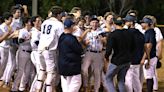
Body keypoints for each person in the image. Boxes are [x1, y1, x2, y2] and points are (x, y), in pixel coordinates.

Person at [36, 6, 64, 92]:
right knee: (51, 72)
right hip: (49, 50)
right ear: (58, 14)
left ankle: (37, 89)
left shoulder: (45, 22)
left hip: (40, 49)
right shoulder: (59, 24)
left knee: (42, 69)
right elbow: (61, 38)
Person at [105, 17, 135, 92]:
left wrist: (106, 57)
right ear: (123, 23)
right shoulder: (129, 33)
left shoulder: (113, 34)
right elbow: (133, 47)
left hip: (117, 61)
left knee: (108, 78)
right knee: (121, 80)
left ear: (114, 24)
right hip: (127, 60)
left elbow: (109, 49)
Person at [58, 18, 83, 92]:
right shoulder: (72, 39)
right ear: (71, 27)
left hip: (63, 66)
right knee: (76, 84)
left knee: (66, 87)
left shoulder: (61, 37)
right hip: (72, 66)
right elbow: (79, 50)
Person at [82, 16, 106, 92]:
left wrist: (102, 39)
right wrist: (85, 43)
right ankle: (85, 86)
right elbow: (82, 41)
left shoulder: (101, 31)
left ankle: (96, 89)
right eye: (93, 22)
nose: (94, 24)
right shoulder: (87, 31)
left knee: (97, 72)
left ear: (98, 23)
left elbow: (106, 42)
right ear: (90, 23)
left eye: (96, 22)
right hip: (89, 51)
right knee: (84, 69)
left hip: (98, 53)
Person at [124, 15, 145, 92]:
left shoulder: (126, 33)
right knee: (136, 78)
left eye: (127, 21)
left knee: (128, 79)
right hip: (138, 59)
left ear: (131, 22)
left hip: (129, 59)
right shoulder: (140, 34)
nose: (125, 23)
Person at [11, 17, 32, 92]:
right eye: (29, 22)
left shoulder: (32, 30)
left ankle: (21, 88)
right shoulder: (23, 31)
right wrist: (29, 38)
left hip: (30, 53)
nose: (31, 23)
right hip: (23, 52)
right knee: (20, 71)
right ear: (26, 23)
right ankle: (14, 88)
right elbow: (20, 40)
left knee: (27, 72)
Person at [140, 17, 157, 92]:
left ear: (147, 24)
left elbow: (149, 46)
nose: (141, 24)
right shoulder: (150, 32)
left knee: (149, 76)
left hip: (149, 57)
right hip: (149, 56)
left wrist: (145, 58)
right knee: (149, 76)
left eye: (143, 22)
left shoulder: (150, 32)